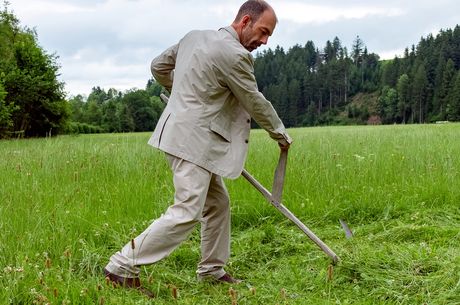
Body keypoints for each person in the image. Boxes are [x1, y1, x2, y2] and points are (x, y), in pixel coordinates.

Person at [104, 0, 292, 297]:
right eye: (263, 32)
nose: (265, 41)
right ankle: (121, 266)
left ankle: (212, 270)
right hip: (191, 140)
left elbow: (158, 66)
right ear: (245, 21)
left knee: (217, 204)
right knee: (188, 209)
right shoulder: (234, 54)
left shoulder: (194, 37)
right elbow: (252, 99)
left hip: (187, 136)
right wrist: (279, 133)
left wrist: (182, 93)